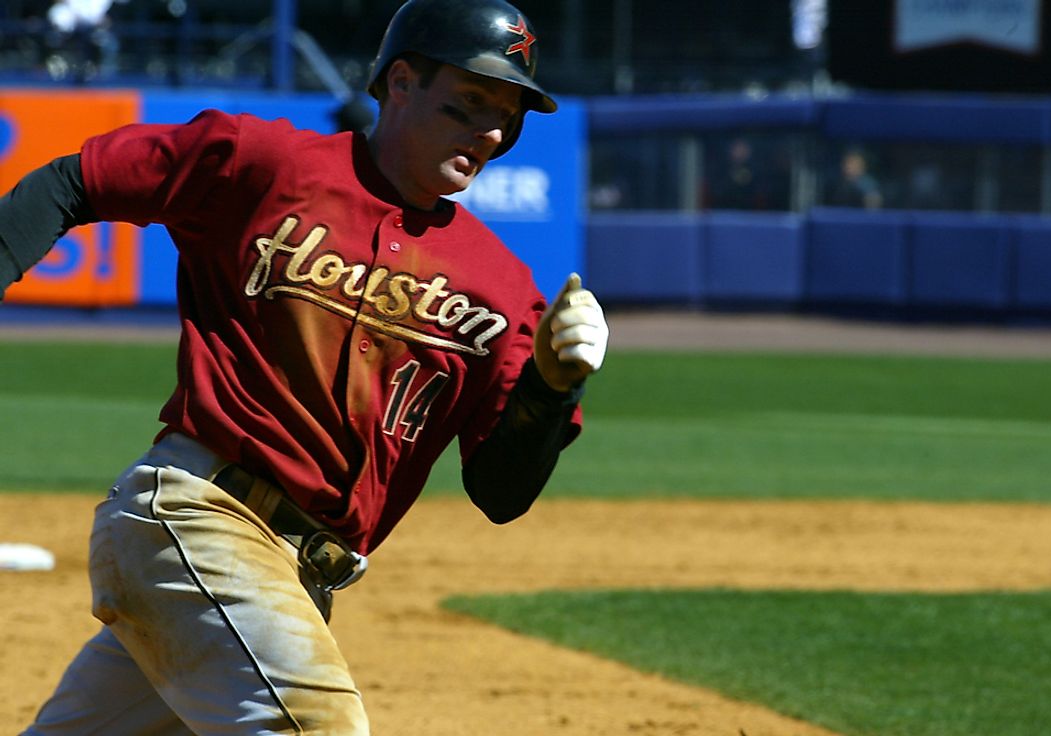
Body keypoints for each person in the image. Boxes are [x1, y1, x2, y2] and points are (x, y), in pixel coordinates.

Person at [2, 0, 609, 732]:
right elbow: (77, 179)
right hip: (198, 518)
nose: (489, 131)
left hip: (295, 578)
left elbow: (501, 491)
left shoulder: (505, 288)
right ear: (401, 82)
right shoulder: (265, 163)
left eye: (508, 116)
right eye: (471, 102)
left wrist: (548, 386)